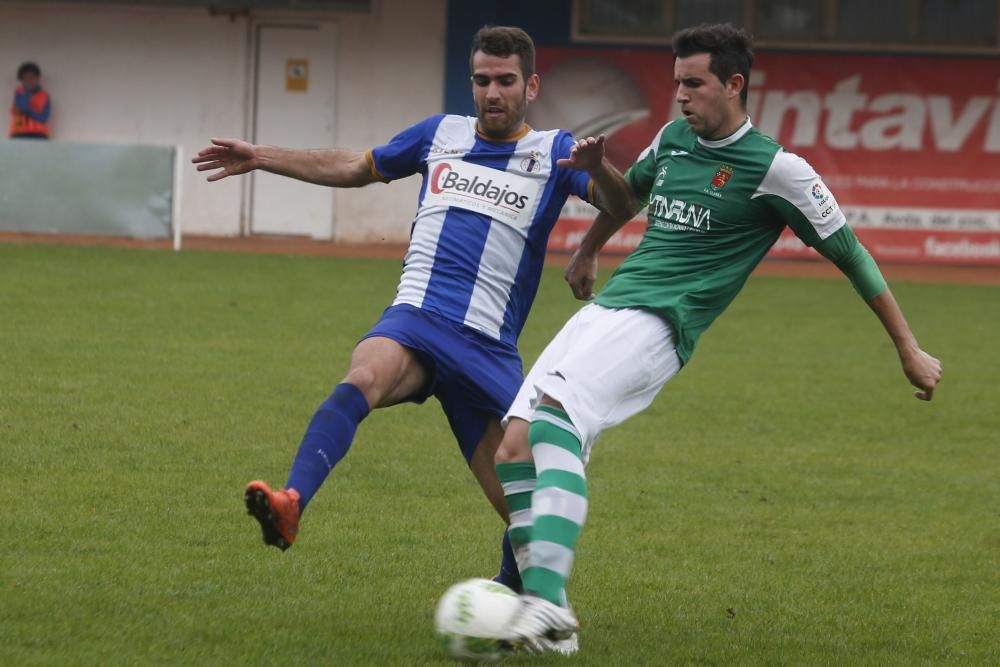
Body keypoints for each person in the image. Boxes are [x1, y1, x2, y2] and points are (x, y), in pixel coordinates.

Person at [493, 23, 943, 649]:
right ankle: (554, 624)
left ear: (733, 85)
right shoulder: (673, 138)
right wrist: (589, 249)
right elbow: (627, 201)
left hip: (659, 324)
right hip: (609, 309)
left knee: (553, 424)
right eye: (676, 82)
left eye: (694, 83)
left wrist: (908, 347)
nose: (680, 95)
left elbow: (852, 254)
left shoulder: (779, 169)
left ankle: (541, 605)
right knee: (513, 447)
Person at [191, 26, 631, 597]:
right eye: (482, 80)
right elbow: (356, 165)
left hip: (487, 347)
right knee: (364, 375)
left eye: (505, 80)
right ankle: (292, 500)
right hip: (416, 318)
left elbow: (624, 202)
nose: (492, 92)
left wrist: (594, 187)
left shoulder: (553, 151)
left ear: (531, 85)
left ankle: (518, 595)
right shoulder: (439, 134)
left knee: (527, 509)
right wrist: (262, 157)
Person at [9, 61, 51, 139]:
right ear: (21, 80)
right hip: (19, 132)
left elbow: (44, 118)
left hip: (39, 134)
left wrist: (29, 113)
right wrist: (27, 92)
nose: (28, 80)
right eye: (25, 78)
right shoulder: (19, 92)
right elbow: (23, 107)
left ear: (37, 78)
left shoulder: (44, 95)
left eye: (31, 77)